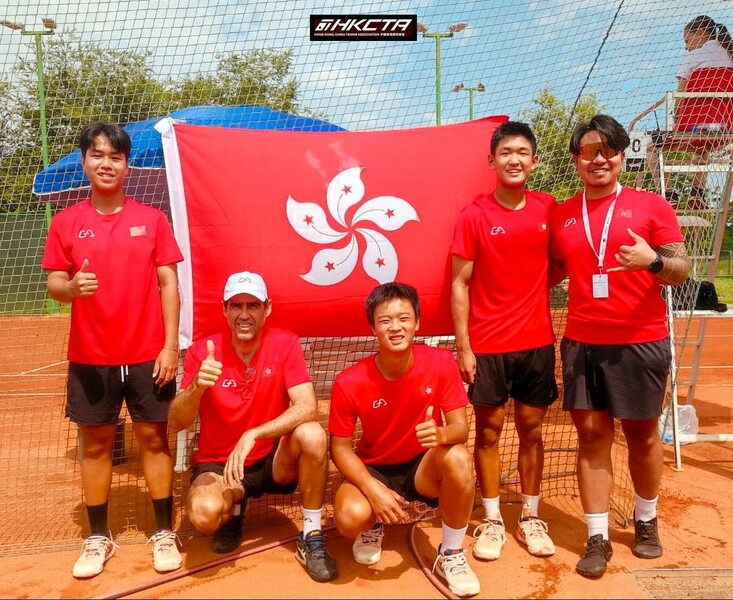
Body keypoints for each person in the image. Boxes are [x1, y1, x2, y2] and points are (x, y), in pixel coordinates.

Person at [549, 114, 690, 579]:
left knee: (642, 435)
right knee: (590, 437)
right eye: (590, 151)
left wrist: (652, 261)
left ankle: (646, 521)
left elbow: (681, 268)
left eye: (609, 149)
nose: (600, 159)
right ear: (576, 159)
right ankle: (597, 535)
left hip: (640, 340)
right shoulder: (562, 213)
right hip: (583, 342)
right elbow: (548, 269)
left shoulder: (652, 206)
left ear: (623, 155)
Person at [42, 122, 184, 578]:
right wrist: (72, 288)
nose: (107, 163)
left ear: (127, 165)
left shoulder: (153, 219)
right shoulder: (66, 221)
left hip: (148, 355)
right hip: (90, 357)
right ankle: (97, 537)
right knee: (96, 446)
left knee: (154, 441)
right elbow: (54, 283)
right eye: (98, 155)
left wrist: (169, 346)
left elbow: (169, 283)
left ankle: (164, 532)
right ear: (85, 161)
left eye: (116, 157)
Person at [168, 271, 338, 583]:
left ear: (267, 308)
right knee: (204, 516)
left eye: (253, 306)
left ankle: (311, 536)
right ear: (224, 310)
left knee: (313, 434)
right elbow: (176, 421)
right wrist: (196, 388)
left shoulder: (285, 343)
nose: (244, 315)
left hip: (273, 459)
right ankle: (234, 508)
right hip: (221, 462)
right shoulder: (201, 351)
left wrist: (254, 433)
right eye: (236, 306)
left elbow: (307, 406)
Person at [450, 121, 558, 562]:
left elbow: (567, 260)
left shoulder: (550, 209)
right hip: (489, 346)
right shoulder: (473, 215)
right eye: (506, 152)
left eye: (523, 152)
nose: (514, 159)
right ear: (491, 161)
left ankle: (530, 516)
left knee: (531, 431)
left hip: (537, 343)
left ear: (534, 160)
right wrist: (463, 346)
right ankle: (492, 519)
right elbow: (460, 283)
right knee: (489, 434)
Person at [329, 282, 480, 598]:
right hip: (375, 468)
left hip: (422, 467)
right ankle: (373, 525)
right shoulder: (348, 381)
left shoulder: (440, 362)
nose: (395, 327)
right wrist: (373, 490)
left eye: (403, 318)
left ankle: (450, 554)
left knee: (459, 458)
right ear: (373, 327)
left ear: (417, 323)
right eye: (385, 320)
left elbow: (460, 429)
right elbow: (339, 448)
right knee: (347, 519)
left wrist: (440, 434)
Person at [644, 15, 733, 208]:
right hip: (724, 130)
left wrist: (676, 119)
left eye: (687, 40)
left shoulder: (693, 56)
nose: (686, 46)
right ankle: (697, 193)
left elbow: (681, 93)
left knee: (649, 148)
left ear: (701, 33)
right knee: (703, 148)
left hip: (692, 128)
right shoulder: (729, 56)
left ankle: (668, 193)